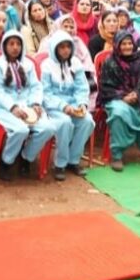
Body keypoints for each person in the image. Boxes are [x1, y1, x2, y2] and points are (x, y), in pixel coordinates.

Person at [0, 30, 55, 181]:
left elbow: (36, 87)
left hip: (28, 105)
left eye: (18, 44)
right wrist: (13, 108)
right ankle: (6, 161)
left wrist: (36, 103)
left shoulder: (28, 64)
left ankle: (26, 158)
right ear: (4, 46)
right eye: (11, 44)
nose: (15, 47)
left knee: (48, 128)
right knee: (20, 130)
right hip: (5, 107)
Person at [98, 30, 140, 171]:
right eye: (123, 44)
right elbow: (105, 88)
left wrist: (137, 93)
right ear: (117, 45)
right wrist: (123, 96)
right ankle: (117, 155)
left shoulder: (139, 61)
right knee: (118, 113)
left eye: (129, 43)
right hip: (116, 99)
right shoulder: (110, 62)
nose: (127, 47)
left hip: (138, 97)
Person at [41, 31, 95, 181]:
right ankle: (60, 163)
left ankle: (74, 160)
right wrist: (63, 106)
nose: (65, 50)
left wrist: (82, 104)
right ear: (54, 48)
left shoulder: (76, 62)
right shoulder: (47, 65)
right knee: (65, 123)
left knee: (87, 121)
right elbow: (46, 93)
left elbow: (81, 87)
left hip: (73, 104)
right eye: (61, 47)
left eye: (68, 47)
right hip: (55, 107)